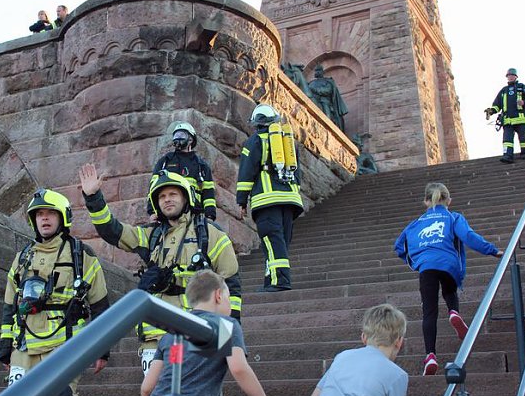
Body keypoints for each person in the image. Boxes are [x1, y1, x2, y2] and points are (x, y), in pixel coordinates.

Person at [79, 163, 241, 375]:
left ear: (186, 198)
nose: (167, 199)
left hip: (195, 333)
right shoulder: (151, 236)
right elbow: (113, 231)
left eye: (173, 194)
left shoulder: (211, 235)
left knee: (190, 392)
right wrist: (93, 198)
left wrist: (229, 342)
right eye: (162, 196)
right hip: (154, 339)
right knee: (154, 393)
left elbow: (231, 286)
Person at [0, 188, 110, 396]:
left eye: (50, 213)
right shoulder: (22, 258)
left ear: (63, 218)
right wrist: (5, 349)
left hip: (64, 346)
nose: (44, 219)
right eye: (39, 215)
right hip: (24, 347)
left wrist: (102, 349)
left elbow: (100, 305)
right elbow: (10, 305)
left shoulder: (82, 256)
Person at [140, 270, 280, 396]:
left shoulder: (173, 332)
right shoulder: (224, 325)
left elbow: (147, 387)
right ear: (218, 295)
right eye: (229, 298)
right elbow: (239, 368)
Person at [393, 182, 502, 376]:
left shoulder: (416, 223)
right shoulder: (453, 217)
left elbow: (399, 245)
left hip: (426, 267)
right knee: (449, 290)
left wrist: (416, 260)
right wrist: (492, 251)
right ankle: (453, 312)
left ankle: (430, 356)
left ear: (426, 201)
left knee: (429, 312)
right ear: (449, 200)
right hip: (448, 264)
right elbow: (468, 236)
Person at [236, 104, 304, 292]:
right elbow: (297, 174)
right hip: (290, 200)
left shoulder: (254, 141)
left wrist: (242, 201)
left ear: (256, 123)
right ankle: (270, 279)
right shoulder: (288, 142)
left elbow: (246, 172)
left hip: (267, 201)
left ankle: (279, 282)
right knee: (281, 241)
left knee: (272, 240)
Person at [148, 121, 218, 221]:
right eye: (176, 135)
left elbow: (208, 193)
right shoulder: (165, 161)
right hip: (168, 216)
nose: (177, 138)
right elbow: (153, 188)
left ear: (190, 139)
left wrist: (210, 216)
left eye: (181, 135)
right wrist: (152, 212)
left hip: (194, 214)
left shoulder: (201, 166)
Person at [485, 67, 525, 163]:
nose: (510, 77)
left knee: (523, 138)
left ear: (516, 76)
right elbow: (497, 105)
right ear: (507, 77)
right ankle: (507, 156)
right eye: (509, 75)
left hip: (520, 119)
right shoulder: (503, 91)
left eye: (512, 75)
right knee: (507, 140)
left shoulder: (522, 87)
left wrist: (524, 102)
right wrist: (491, 111)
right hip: (507, 120)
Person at [308, 65, 348, 132]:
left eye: (318, 71)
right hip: (313, 99)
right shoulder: (311, 83)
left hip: (324, 101)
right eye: (316, 71)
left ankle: (328, 125)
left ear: (322, 72)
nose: (317, 72)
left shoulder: (327, 81)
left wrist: (316, 90)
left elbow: (328, 90)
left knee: (327, 114)